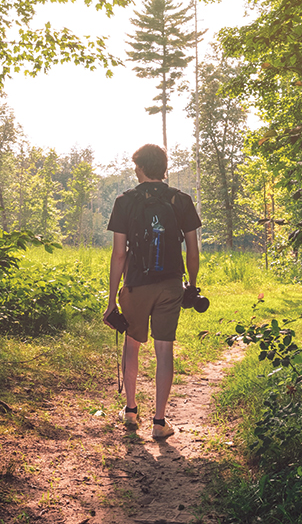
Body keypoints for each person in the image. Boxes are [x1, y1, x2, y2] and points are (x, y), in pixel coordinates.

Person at [104, 144, 201, 439]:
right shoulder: (181, 200)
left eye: (136, 166)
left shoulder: (125, 201)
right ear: (164, 167)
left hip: (136, 284)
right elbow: (193, 251)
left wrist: (111, 301)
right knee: (164, 348)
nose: (135, 170)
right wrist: (192, 287)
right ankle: (160, 423)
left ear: (142, 167)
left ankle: (131, 411)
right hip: (171, 284)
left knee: (132, 344)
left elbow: (119, 254)